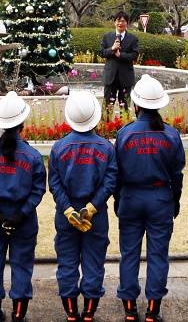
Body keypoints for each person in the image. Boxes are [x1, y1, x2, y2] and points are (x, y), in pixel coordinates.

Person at [114, 74, 185, 322]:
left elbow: (117, 174)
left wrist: (117, 199)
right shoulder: (171, 135)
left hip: (131, 197)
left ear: (136, 105)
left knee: (129, 254)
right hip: (160, 197)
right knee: (158, 255)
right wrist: (175, 200)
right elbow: (177, 175)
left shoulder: (124, 135)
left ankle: (130, 309)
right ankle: (153, 310)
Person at [0, 91, 47, 322]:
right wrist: (19, 216)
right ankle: (18, 315)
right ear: (22, 123)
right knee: (22, 266)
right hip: (23, 222)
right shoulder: (33, 157)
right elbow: (38, 191)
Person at [49, 91, 117, 322]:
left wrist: (67, 209)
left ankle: (71, 313)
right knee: (94, 263)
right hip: (95, 215)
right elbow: (110, 181)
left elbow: (55, 183)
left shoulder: (58, 148)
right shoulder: (106, 148)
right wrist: (92, 207)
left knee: (67, 263)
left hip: (66, 214)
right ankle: (88, 314)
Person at [99, 11, 140, 117]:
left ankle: (124, 127)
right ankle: (106, 127)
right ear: (114, 22)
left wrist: (120, 55)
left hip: (125, 77)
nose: (120, 23)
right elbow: (101, 52)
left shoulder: (133, 39)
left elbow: (134, 55)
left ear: (127, 23)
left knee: (125, 106)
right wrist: (111, 49)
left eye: (123, 21)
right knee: (107, 105)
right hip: (110, 76)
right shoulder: (107, 36)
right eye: (118, 21)